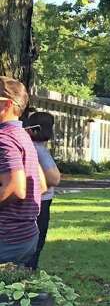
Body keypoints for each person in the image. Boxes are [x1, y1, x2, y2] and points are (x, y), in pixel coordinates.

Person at [0, 79, 43, 267]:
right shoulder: (22, 136)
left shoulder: (4, 138)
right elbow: (40, 183)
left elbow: (15, 188)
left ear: (7, 104)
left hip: (6, 237)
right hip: (25, 235)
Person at [24, 111, 60, 270]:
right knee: (35, 244)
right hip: (39, 203)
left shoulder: (37, 148)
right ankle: (27, 277)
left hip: (39, 200)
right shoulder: (37, 149)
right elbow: (54, 179)